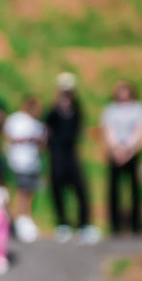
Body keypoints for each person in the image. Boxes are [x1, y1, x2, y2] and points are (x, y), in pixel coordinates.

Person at [44, 74, 94, 242]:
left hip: (71, 152)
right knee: (57, 185)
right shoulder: (54, 111)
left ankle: (84, 224)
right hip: (56, 153)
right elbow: (47, 123)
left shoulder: (76, 110)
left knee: (80, 187)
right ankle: (62, 223)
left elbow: (79, 124)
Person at [101, 81, 142, 236]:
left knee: (134, 189)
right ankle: (115, 225)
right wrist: (116, 148)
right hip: (115, 151)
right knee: (114, 189)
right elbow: (107, 129)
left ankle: (136, 225)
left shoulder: (138, 109)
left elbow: (140, 129)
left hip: (132, 152)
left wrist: (129, 148)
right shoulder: (110, 110)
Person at [3, 95, 46, 244]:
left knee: (29, 191)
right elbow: (9, 138)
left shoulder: (37, 124)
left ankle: (26, 218)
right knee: (21, 190)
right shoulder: (16, 120)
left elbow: (43, 145)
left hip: (33, 162)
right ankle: (18, 219)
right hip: (19, 162)